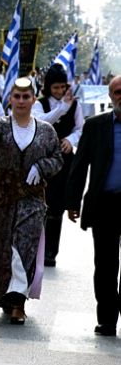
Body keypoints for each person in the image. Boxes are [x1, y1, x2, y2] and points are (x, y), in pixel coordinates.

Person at [0, 78, 63, 325]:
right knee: (1, 246)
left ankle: (17, 302)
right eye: (17, 97)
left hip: (32, 198)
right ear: (10, 99)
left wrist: (41, 166)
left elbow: (57, 159)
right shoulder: (1, 126)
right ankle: (4, 294)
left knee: (22, 247)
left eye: (26, 97)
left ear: (33, 99)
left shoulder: (46, 130)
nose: (21, 101)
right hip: (2, 197)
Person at [66, 75, 121, 336]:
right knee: (106, 266)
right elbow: (79, 167)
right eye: (118, 92)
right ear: (110, 97)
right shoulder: (95, 126)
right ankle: (107, 319)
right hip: (104, 206)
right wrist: (72, 201)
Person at [32, 63, 83, 267]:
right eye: (56, 88)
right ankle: (34, 247)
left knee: (57, 207)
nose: (60, 91)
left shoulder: (75, 105)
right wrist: (61, 108)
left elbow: (81, 128)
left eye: (63, 87)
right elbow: (42, 123)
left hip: (64, 160)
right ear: (48, 87)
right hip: (42, 160)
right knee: (39, 204)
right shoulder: (39, 103)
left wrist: (71, 139)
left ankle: (51, 251)